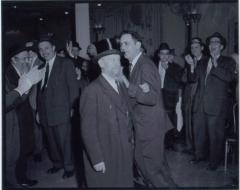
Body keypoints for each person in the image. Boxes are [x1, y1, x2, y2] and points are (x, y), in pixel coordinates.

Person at [119, 31, 177, 187]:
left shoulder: (145, 65)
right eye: (121, 44)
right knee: (156, 167)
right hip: (144, 123)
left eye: (126, 43)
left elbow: (152, 98)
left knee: (151, 168)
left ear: (138, 45)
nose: (122, 47)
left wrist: (126, 83)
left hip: (150, 125)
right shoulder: (135, 64)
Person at [80, 39, 134, 187]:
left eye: (118, 59)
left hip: (123, 150)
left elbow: (128, 115)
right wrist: (96, 159)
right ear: (101, 64)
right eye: (111, 60)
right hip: (106, 152)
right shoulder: (92, 90)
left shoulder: (121, 84)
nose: (117, 64)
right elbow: (88, 129)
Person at [188, 32, 237, 170]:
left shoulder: (228, 61)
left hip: (216, 105)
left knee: (215, 135)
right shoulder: (203, 62)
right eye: (210, 43)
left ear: (221, 47)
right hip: (200, 104)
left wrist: (216, 65)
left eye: (216, 42)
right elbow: (192, 79)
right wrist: (192, 65)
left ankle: (214, 162)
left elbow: (229, 78)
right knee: (199, 132)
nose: (212, 45)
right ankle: (199, 156)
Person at [36, 34, 78, 178]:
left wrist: (73, 108)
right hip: (44, 112)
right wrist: (37, 111)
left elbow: (73, 88)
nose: (44, 52)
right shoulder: (40, 67)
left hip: (62, 111)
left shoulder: (65, 63)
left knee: (65, 141)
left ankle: (69, 167)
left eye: (46, 48)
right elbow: (39, 92)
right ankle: (57, 164)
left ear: (53, 48)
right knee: (51, 141)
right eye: (41, 50)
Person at [5, 44, 39, 187]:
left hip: (23, 117)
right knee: (15, 154)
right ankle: (19, 180)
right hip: (14, 120)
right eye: (24, 59)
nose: (27, 61)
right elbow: (12, 100)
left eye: (28, 58)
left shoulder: (22, 69)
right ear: (14, 60)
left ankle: (22, 178)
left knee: (23, 149)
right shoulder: (7, 74)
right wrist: (27, 85)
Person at [182, 37, 208, 155]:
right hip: (188, 95)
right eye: (192, 47)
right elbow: (186, 79)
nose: (194, 49)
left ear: (202, 48)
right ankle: (189, 147)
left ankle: (199, 151)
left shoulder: (207, 61)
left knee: (198, 124)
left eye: (196, 47)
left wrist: (192, 66)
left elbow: (197, 78)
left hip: (200, 95)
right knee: (187, 121)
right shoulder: (189, 61)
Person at [156, 43, 184, 150]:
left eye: (166, 54)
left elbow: (179, 80)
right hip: (157, 94)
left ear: (169, 55)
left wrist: (167, 69)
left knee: (169, 120)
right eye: (162, 54)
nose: (164, 56)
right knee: (157, 119)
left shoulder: (176, 67)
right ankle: (158, 141)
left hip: (169, 96)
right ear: (159, 55)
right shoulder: (153, 65)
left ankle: (168, 143)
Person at [25, 41, 45, 162]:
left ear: (33, 51)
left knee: (37, 127)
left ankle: (38, 151)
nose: (27, 52)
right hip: (25, 100)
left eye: (29, 50)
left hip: (35, 100)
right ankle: (31, 148)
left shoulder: (41, 63)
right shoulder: (26, 63)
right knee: (29, 126)